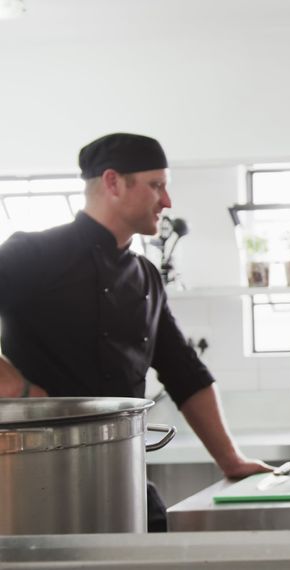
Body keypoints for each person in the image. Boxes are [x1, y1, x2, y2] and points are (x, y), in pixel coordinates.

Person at [0, 132, 272, 532]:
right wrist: (13, 385)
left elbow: (184, 373)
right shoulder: (32, 253)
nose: (167, 201)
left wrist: (230, 459)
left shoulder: (144, 275)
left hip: (121, 473)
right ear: (113, 182)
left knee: (155, 535)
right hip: (34, 482)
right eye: (156, 186)